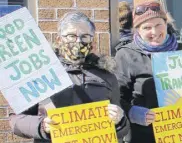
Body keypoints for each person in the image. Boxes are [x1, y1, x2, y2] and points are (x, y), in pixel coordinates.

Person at [10, 12, 130, 143]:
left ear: (92, 41)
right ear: (59, 39)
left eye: (85, 36)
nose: (78, 41)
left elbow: (122, 128)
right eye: (71, 36)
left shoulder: (107, 76)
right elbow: (16, 121)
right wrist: (41, 126)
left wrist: (120, 121)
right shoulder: (42, 74)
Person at [115, 0, 182, 142]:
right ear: (137, 30)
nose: (154, 32)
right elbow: (115, 98)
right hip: (144, 136)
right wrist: (132, 111)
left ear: (166, 23)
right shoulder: (125, 55)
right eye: (147, 27)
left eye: (158, 25)